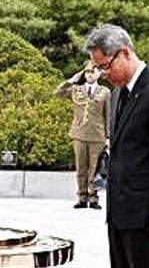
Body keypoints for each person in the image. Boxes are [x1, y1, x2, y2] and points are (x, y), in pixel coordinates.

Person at [83, 24, 149, 268]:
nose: (104, 74)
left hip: (145, 218)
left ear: (125, 53)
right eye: (99, 68)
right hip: (118, 213)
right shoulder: (118, 93)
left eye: (106, 66)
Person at [54, 60, 111, 210]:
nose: (89, 75)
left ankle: (93, 198)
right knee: (81, 168)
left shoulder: (104, 92)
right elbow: (58, 93)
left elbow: (108, 116)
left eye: (92, 72)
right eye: (87, 72)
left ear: (98, 74)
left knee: (94, 169)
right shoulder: (76, 90)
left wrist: (108, 137)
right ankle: (82, 197)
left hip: (97, 136)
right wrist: (72, 80)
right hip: (79, 133)